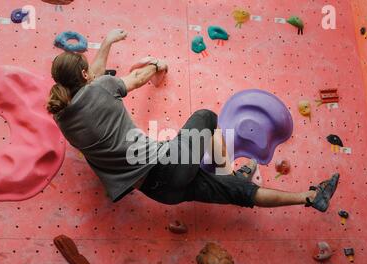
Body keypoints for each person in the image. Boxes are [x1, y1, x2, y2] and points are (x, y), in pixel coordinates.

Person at [47, 29, 340, 212]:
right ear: (85, 76)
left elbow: (92, 79)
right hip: (166, 164)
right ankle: (227, 170)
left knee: (240, 193)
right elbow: (134, 79)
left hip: (159, 193)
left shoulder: (63, 120)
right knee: (206, 117)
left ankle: (311, 197)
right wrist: (155, 65)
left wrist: (108, 44)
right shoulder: (100, 88)